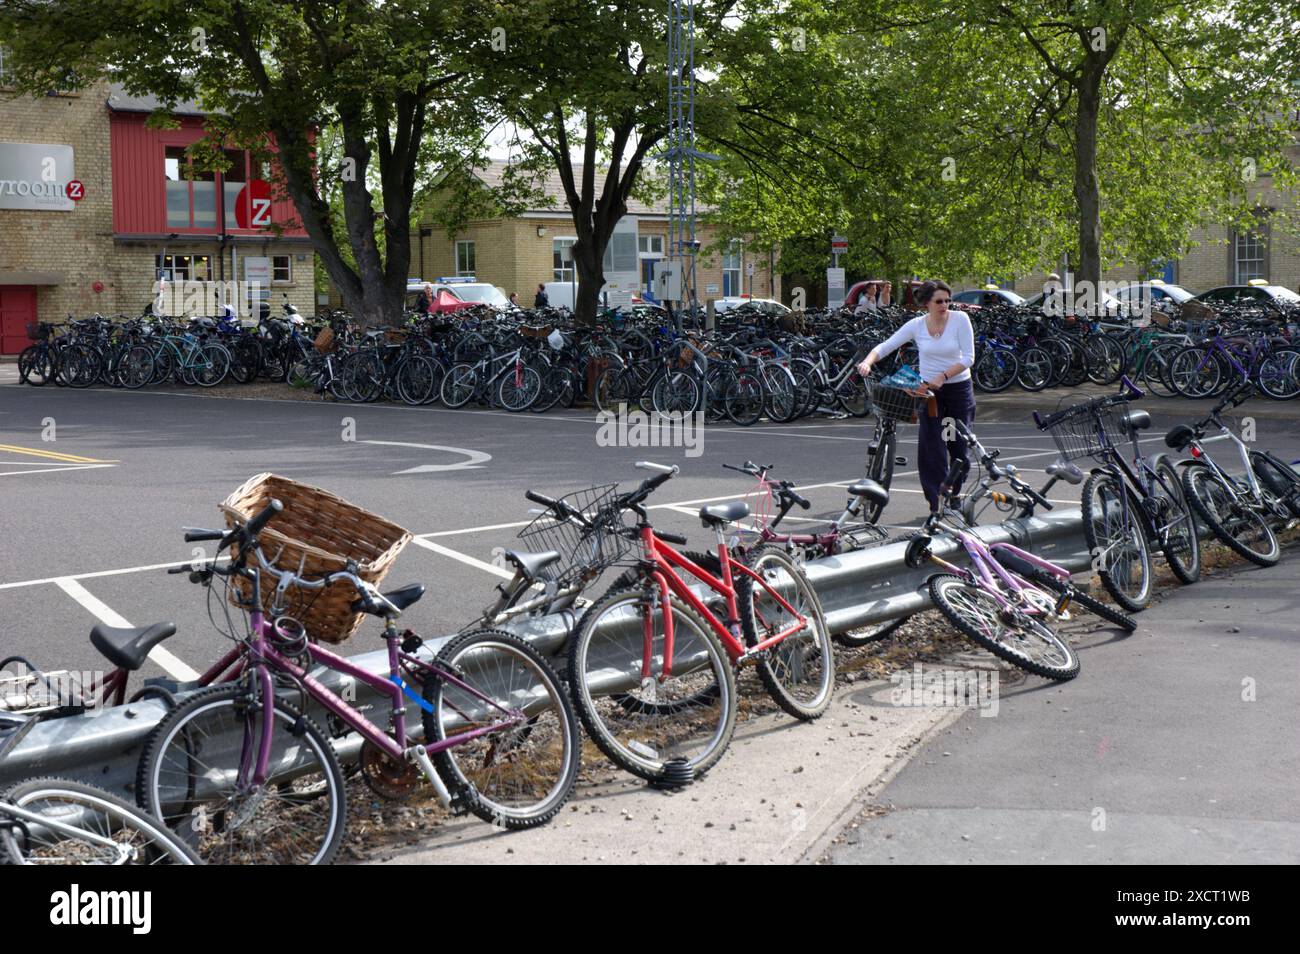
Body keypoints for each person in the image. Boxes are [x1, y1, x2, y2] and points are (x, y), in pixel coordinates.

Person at [857, 279, 975, 513]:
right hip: (929, 394)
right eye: (939, 301)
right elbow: (886, 346)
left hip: (957, 391)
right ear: (927, 304)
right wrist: (867, 362)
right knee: (933, 447)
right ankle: (936, 502)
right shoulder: (917, 325)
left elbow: (968, 357)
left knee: (957, 445)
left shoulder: (960, 320)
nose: (945, 305)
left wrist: (943, 375)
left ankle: (955, 494)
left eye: (947, 300)